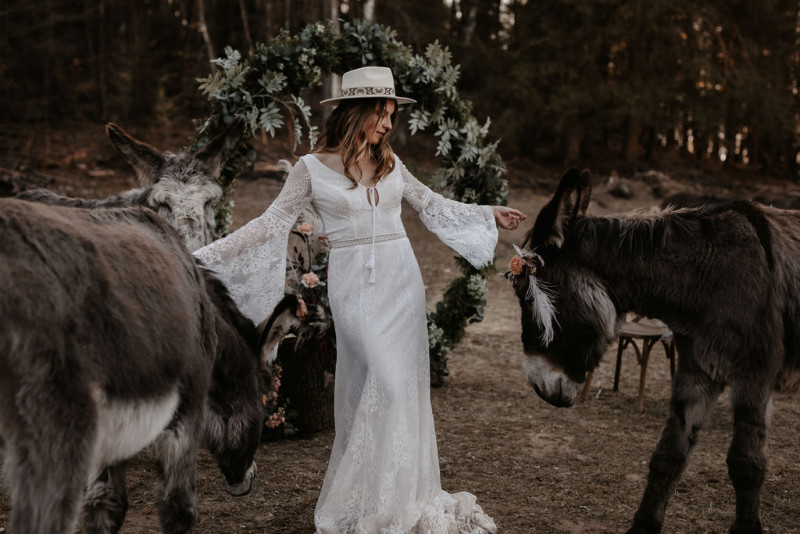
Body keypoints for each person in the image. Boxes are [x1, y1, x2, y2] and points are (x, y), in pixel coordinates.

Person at [193, 66, 525, 533]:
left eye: (392, 115)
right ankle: (372, 500)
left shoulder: (390, 162)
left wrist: (487, 213)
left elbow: (429, 203)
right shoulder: (310, 169)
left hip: (401, 279)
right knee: (382, 383)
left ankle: (393, 498)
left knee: (399, 390)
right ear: (355, 113)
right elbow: (267, 226)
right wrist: (198, 257)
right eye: (381, 114)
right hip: (355, 287)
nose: (389, 125)